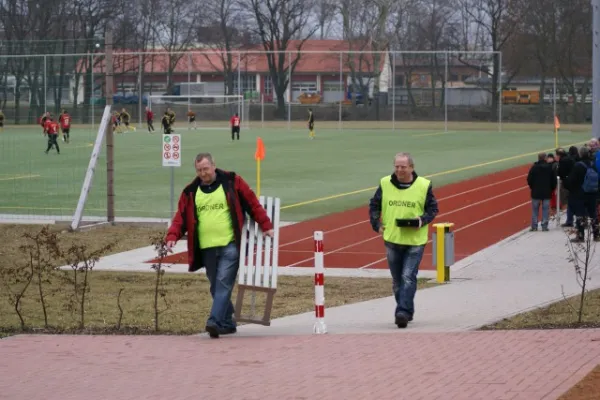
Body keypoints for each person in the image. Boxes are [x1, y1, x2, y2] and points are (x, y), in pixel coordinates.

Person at [165, 152, 274, 338]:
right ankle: (228, 322)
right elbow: (181, 217)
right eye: (199, 170)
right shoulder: (191, 191)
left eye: (206, 169)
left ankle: (214, 321)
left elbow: (252, 203)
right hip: (206, 248)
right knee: (215, 287)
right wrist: (172, 236)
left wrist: (266, 225)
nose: (203, 173)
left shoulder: (232, 181)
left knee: (223, 284)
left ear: (214, 166)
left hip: (230, 245)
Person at [368, 152, 439, 328]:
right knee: (397, 280)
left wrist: (421, 220)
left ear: (411, 168)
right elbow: (374, 205)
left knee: (408, 276)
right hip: (392, 239)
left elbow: (433, 209)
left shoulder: (424, 185)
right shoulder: (385, 183)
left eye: (403, 167)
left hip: (415, 241)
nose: (399, 170)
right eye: (397, 166)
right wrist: (376, 223)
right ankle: (406, 309)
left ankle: (403, 312)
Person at [565, 146, 599, 242]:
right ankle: (596, 235)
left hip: (580, 194)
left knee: (580, 215)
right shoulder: (593, 165)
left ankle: (580, 236)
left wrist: (567, 184)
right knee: (593, 214)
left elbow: (571, 181)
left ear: (580, 154)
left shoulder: (578, 166)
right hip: (592, 193)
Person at [527, 152, 556, 231]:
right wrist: (551, 189)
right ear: (545, 158)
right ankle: (544, 226)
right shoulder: (549, 168)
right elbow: (553, 180)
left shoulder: (534, 167)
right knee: (545, 209)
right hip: (547, 192)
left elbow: (529, 179)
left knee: (535, 210)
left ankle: (534, 226)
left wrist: (533, 187)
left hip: (536, 192)